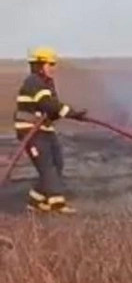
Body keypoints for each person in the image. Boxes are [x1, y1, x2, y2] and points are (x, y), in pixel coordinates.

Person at [13, 47, 87, 213]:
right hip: (30, 131)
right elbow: (49, 105)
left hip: (44, 130)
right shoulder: (34, 82)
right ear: (40, 65)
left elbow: (52, 111)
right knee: (46, 166)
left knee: (57, 163)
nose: (54, 67)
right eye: (51, 63)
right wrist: (72, 113)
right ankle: (57, 203)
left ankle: (35, 201)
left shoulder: (47, 84)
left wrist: (69, 114)